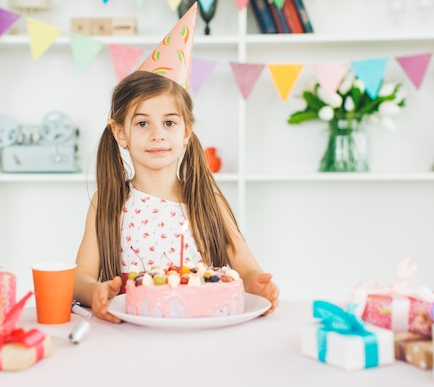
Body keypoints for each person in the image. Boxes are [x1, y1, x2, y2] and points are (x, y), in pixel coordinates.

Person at [72, 70, 280, 323]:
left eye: (169, 123)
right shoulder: (107, 204)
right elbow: (79, 279)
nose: (157, 134)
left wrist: (255, 284)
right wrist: (95, 291)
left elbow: (247, 269)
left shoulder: (209, 203)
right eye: (142, 123)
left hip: (203, 331)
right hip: (130, 334)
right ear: (120, 133)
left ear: (186, 132)